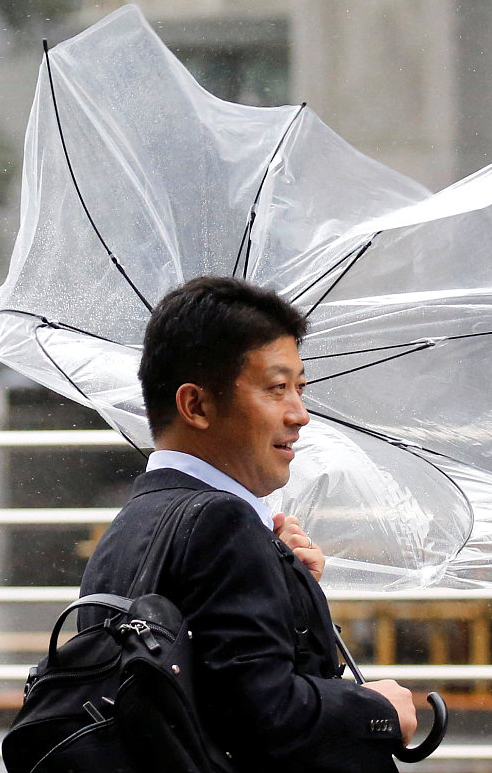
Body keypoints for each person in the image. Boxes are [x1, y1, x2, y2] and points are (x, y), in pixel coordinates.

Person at [79, 276, 417, 772]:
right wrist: (376, 710)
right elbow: (263, 719)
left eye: (300, 388)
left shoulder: (134, 522)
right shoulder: (221, 522)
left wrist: (286, 584)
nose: (300, 414)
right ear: (196, 405)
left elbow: (206, 689)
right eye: (277, 388)